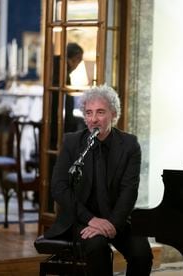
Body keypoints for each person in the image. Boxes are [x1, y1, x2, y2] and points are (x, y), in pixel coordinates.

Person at [44, 85, 153, 275]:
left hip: (117, 218)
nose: (93, 119)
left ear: (113, 114)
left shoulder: (130, 145)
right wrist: (92, 220)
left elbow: (129, 191)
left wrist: (111, 224)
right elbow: (59, 188)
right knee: (97, 247)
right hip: (82, 218)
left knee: (142, 253)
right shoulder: (72, 142)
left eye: (100, 112)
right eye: (89, 113)